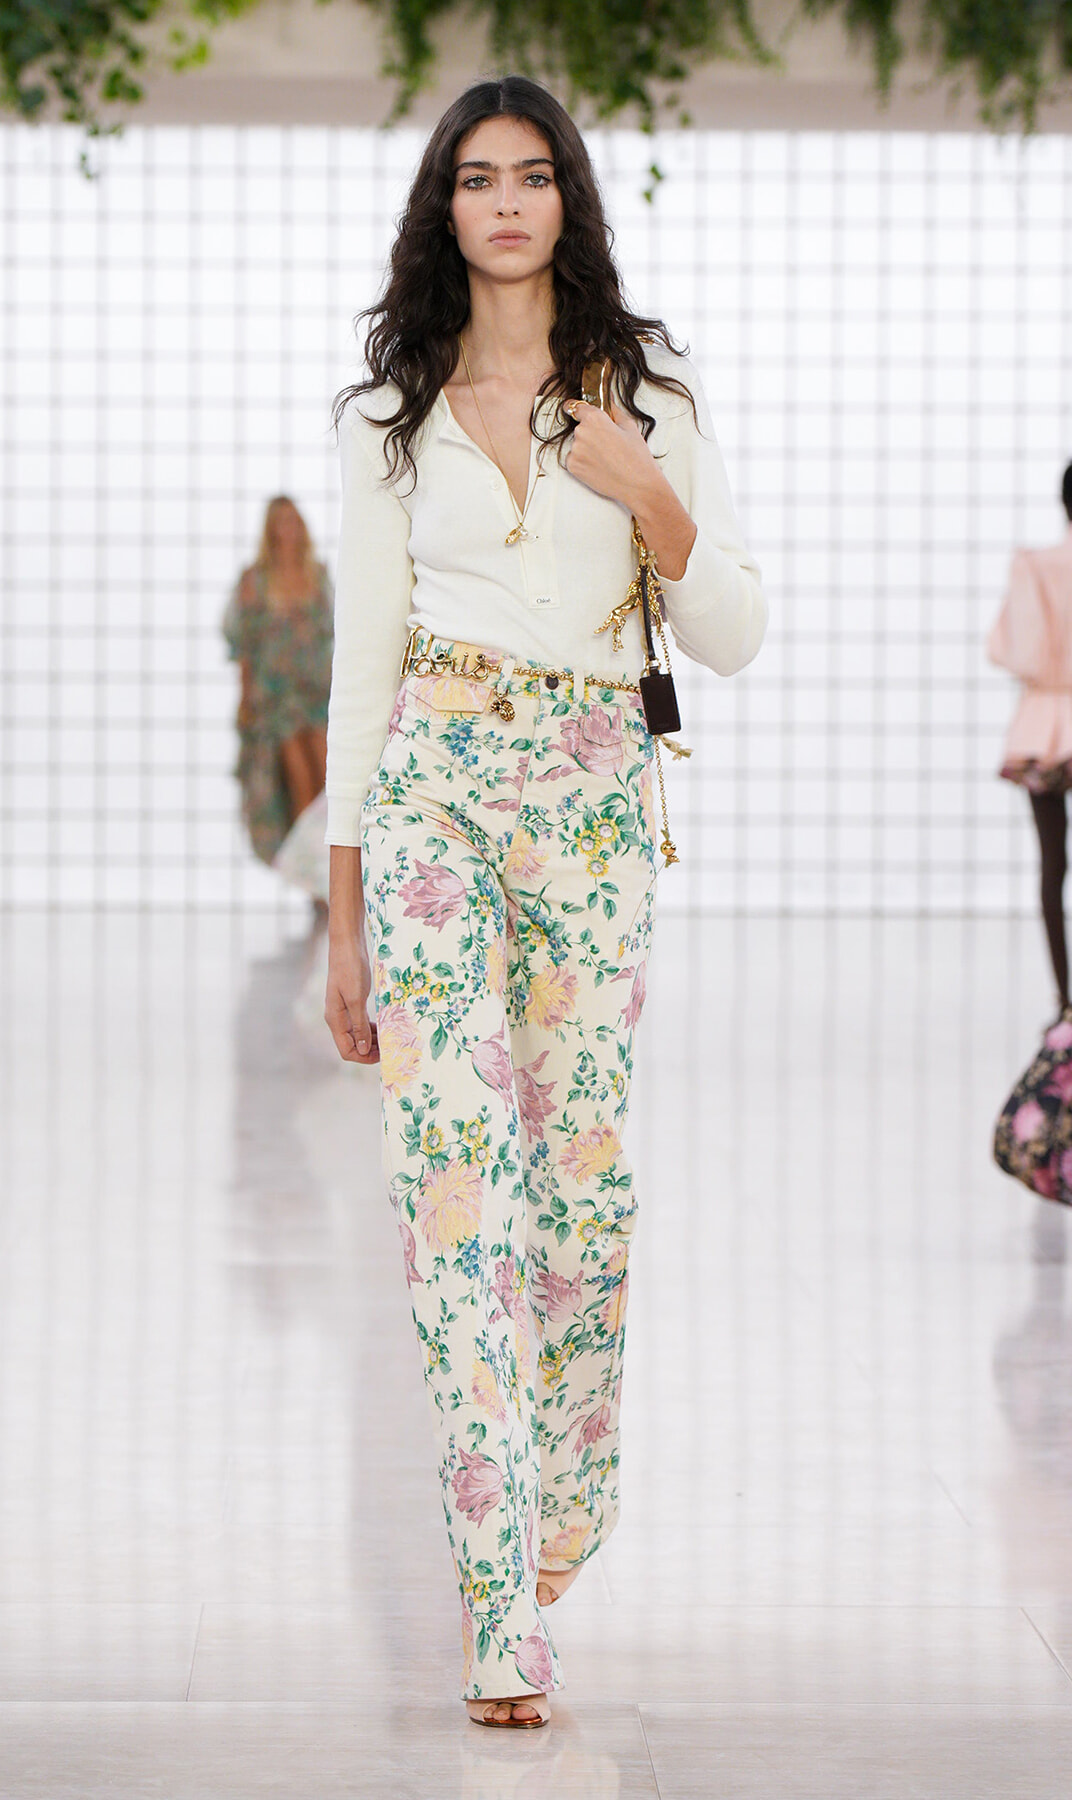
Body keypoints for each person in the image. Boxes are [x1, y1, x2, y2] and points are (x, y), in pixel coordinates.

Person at [323, 76, 765, 1729]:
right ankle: (496, 1599)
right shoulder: (391, 412)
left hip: (589, 799)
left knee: (576, 1199)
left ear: (569, 201)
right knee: (453, 1190)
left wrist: (646, 490)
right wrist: (346, 916)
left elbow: (732, 629)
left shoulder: (650, 390)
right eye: (473, 180)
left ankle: (571, 1484)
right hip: (438, 779)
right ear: (445, 210)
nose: (503, 204)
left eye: (530, 178)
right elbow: (361, 668)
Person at [988, 463, 1072, 1013]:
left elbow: (1012, 651)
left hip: (1045, 723)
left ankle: (1065, 1000)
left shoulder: (1038, 566)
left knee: (1051, 867)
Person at [222, 495, 332, 867]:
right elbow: (244, 646)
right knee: (299, 783)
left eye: (293, 520)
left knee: (330, 779)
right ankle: (314, 875)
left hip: (317, 691)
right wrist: (246, 701)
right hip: (277, 699)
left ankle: (338, 872)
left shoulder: (317, 574)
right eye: (280, 521)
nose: (289, 528)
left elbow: (333, 632)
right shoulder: (254, 581)